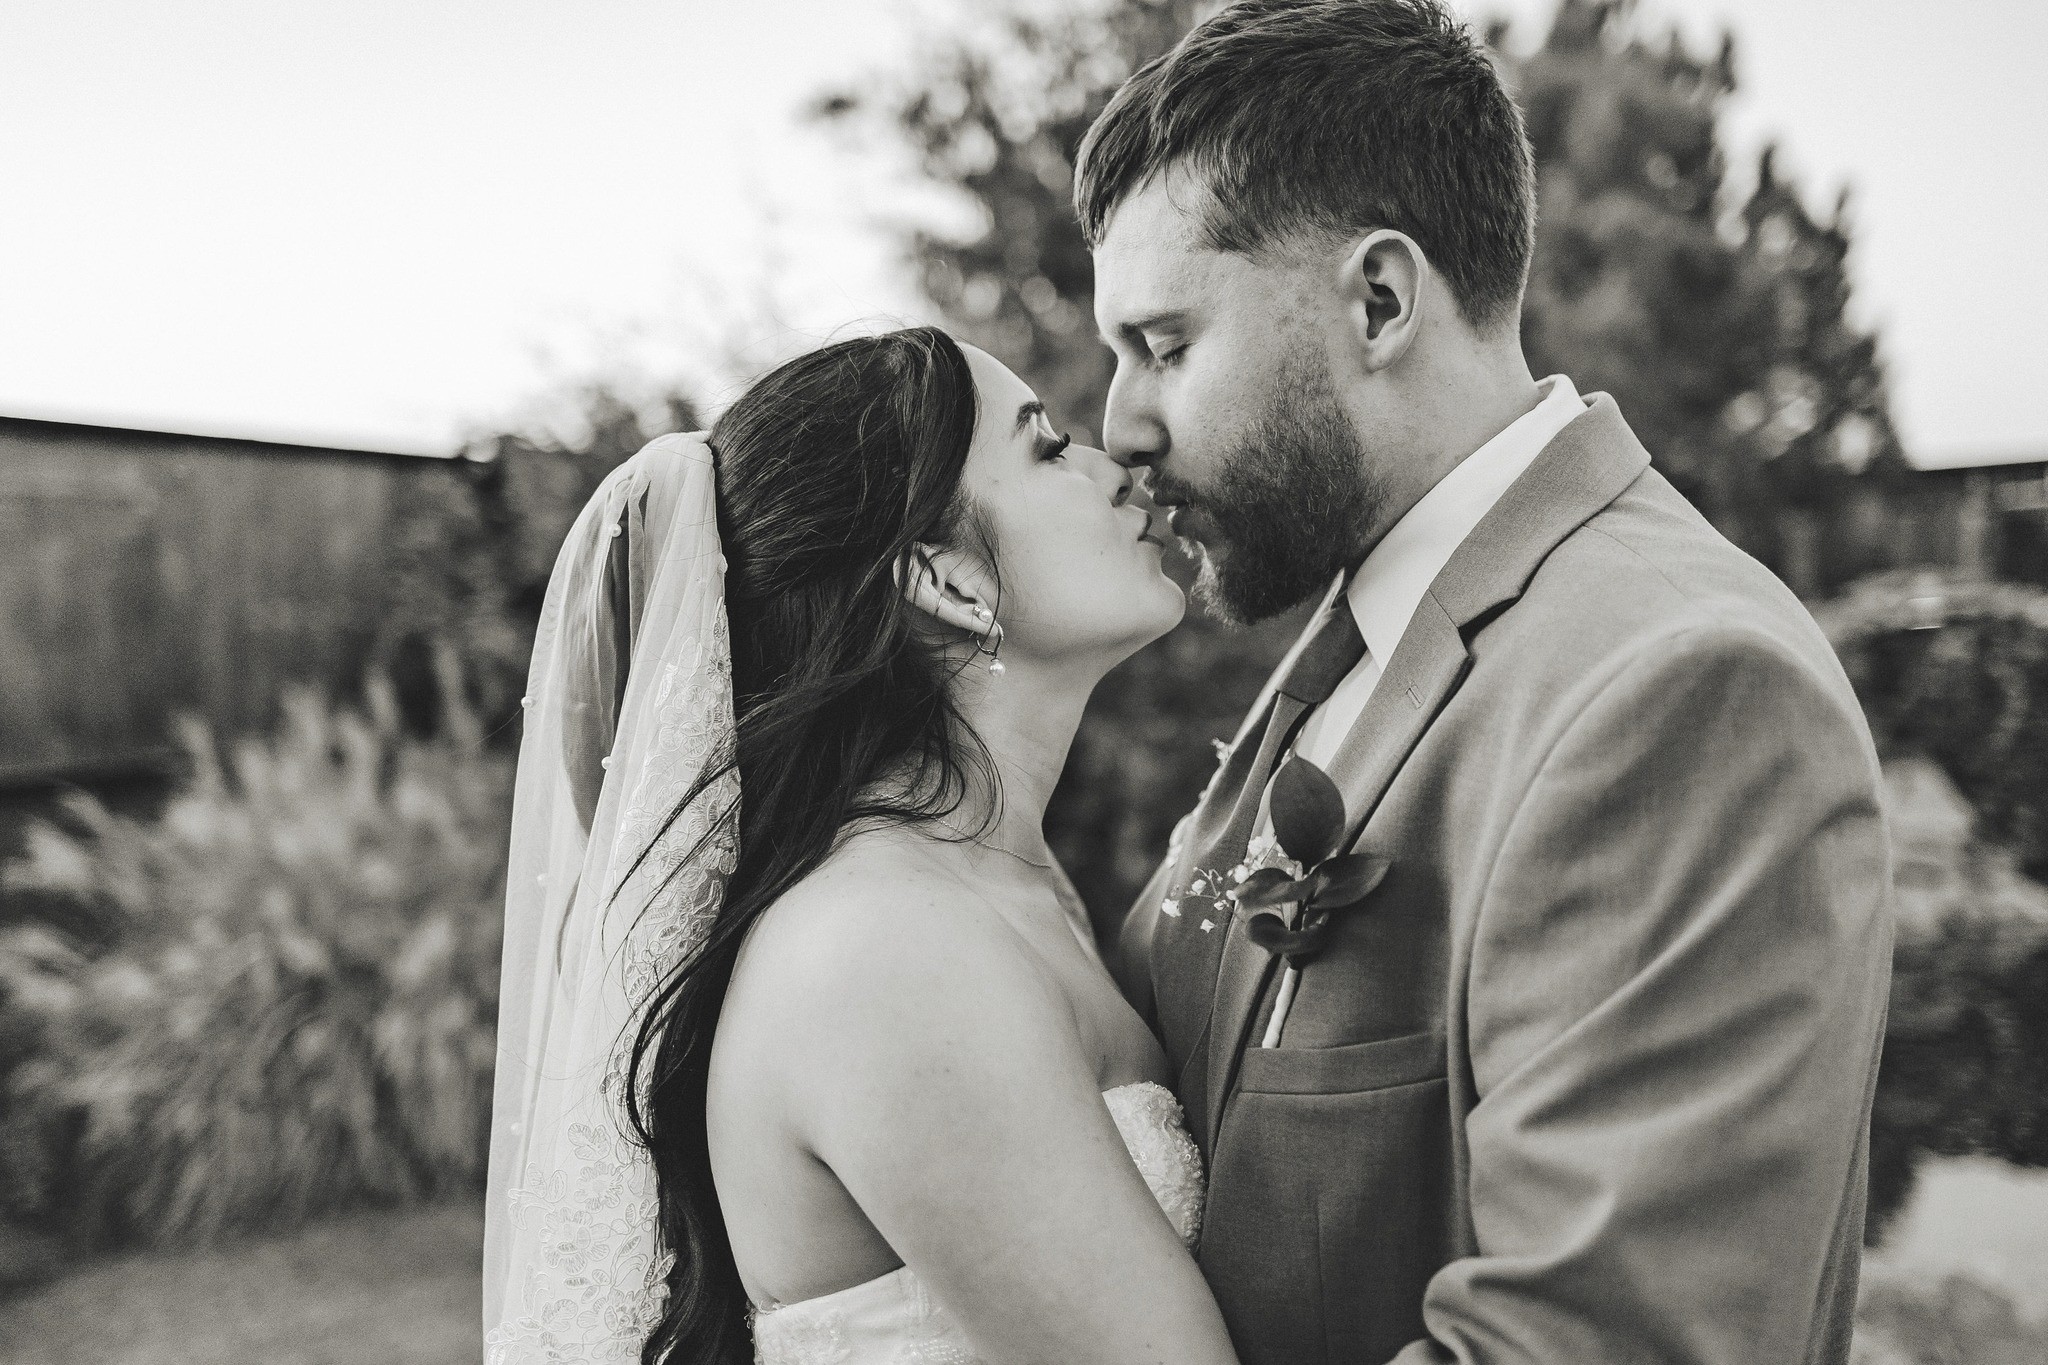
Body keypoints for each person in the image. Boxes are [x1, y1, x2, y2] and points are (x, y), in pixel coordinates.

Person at [1081, 2, 1895, 1363]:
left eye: (1164, 347)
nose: (1121, 425)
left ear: (1380, 301)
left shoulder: (1680, 688)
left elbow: (1596, 1341)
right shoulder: (1363, 617)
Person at [483, 327, 1239, 1364]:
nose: (1114, 465)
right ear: (943, 579)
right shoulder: (886, 950)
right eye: (1047, 448)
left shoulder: (999, 890)